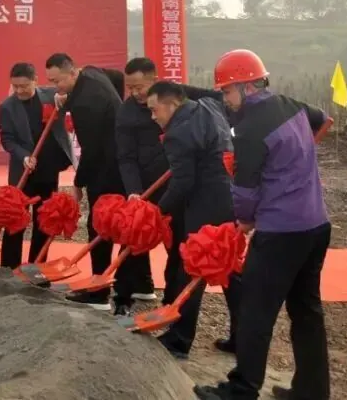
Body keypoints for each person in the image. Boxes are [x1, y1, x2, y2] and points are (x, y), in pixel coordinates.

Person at [195, 50, 331, 400]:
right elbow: (323, 119)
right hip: (316, 224)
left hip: (280, 233)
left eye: (226, 91)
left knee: (256, 310)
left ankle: (242, 390)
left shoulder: (250, 127)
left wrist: (244, 220)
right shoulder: (292, 105)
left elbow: (244, 190)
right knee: (306, 312)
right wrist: (294, 161)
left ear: (245, 86)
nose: (225, 99)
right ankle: (311, 392)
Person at [117, 57, 229, 319]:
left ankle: (171, 303)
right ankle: (123, 296)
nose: (135, 94)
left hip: (179, 188)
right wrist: (133, 191)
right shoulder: (126, 112)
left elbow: (219, 99)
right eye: (130, 88)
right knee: (132, 241)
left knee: (177, 247)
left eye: (140, 87)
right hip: (146, 188)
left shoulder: (179, 99)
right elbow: (125, 156)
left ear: (156, 83)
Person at [147, 81, 243, 361]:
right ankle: (243, 336)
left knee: (191, 269)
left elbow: (183, 183)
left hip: (203, 207)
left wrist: (158, 211)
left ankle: (179, 339)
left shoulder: (178, 132)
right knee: (231, 271)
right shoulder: (210, 107)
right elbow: (215, 94)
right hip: (229, 199)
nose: (153, 117)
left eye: (155, 110)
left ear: (172, 104)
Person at [44, 53, 125, 311]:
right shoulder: (91, 72)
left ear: (71, 73)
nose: (56, 87)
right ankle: (140, 286)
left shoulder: (86, 105)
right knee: (125, 225)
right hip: (122, 159)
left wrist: (79, 183)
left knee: (99, 226)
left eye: (58, 81)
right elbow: (116, 77)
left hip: (108, 168)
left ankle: (99, 292)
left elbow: (90, 150)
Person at [0, 62, 74, 268]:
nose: (19, 91)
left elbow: (74, 97)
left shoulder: (52, 96)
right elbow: (7, 139)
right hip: (22, 169)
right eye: (15, 86)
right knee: (15, 221)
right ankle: (9, 268)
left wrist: (66, 100)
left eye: (24, 86)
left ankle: (38, 265)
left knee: (45, 220)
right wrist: (23, 156)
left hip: (48, 169)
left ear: (35, 81)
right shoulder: (6, 107)